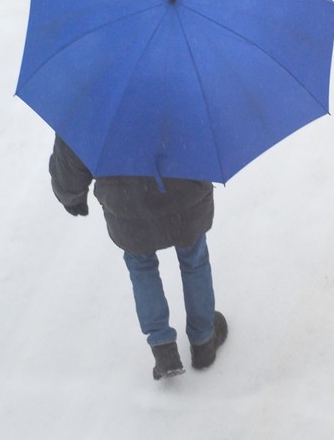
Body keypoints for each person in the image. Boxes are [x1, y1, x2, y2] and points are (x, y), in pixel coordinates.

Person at [48, 135, 228, 380]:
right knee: (194, 260)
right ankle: (203, 341)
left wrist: (72, 196)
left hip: (128, 204)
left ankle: (163, 348)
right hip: (185, 193)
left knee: (141, 266)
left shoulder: (93, 101)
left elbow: (71, 149)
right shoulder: (186, 95)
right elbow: (212, 134)